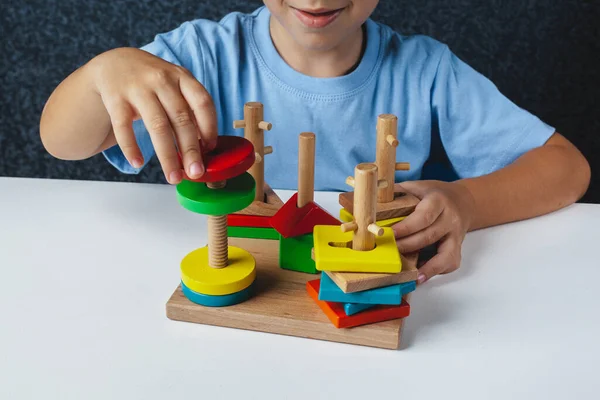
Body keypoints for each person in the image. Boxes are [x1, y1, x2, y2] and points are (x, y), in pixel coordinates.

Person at [39, 1, 590, 284]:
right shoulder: (201, 54)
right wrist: (101, 73)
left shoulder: (426, 71)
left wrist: (468, 203)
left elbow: (567, 168)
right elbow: (61, 140)